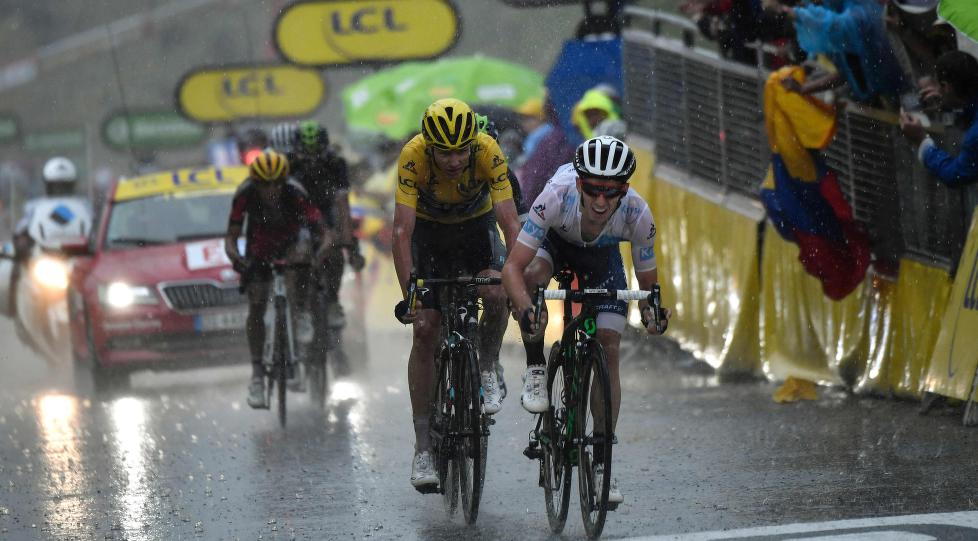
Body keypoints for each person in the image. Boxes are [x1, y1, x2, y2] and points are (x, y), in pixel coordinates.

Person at [501, 136, 672, 504]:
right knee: (532, 277)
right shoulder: (555, 196)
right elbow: (512, 269)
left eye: (611, 193)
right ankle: (535, 368)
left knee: (609, 348)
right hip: (555, 247)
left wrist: (653, 315)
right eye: (592, 189)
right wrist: (527, 309)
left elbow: (648, 290)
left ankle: (602, 460)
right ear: (579, 182)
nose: (600, 201)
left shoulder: (638, 214)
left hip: (602, 261)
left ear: (624, 189)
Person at [391, 98, 520, 488]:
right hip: (429, 237)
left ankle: (487, 364)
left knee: (496, 292)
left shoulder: (487, 151)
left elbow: (511, 223)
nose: (454, 160)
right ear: (430, 147)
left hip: (475, 231)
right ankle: (423, 448)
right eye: (445, 153)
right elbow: (401, 232)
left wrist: (515, 281)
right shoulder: (412, 156)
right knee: (426, 329)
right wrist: (410, 295)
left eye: (461, 150)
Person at [224, 150, 333, 408]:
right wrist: (238, 260)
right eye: (264, 184)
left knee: (302, 259)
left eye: (276, 184)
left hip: (292, 242)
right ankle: (258, 374)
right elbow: (231, 237)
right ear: (255, 183)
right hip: (260, 245)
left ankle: (302, 311)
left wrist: (318, 258)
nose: (271, 189)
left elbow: (323, 233)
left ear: (284, 181)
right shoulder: (245, 193)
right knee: (257, 302)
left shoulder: (295, 192)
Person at [270, 120, 365, 372]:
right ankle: (300, 312)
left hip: (325, 212)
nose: (311, 159)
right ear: (296, 148)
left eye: (317, 153)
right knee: (298, 258)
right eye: (305, 153)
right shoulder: (288, 163)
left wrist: (349, 242)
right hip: (298, 213)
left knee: (334, 251)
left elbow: (342, 204)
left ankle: (332, 302)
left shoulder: (335, 163)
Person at [9, 157, 92, 309]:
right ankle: (13, 304)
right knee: (13, 268)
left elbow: (95, 225)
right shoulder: (34, 206)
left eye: (64, 186)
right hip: (46, 255)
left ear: (72, 185)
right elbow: (22, 228)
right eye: (55, 186)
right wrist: (21, 242)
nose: (59, 190)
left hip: (78, 256)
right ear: (47, 185)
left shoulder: (84, 205)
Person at [900, 51, 978, 186]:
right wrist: (949, 104)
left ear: (946, 86)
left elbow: (955, 175)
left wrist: (922, 141)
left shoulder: (974, 137)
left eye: (937, 84)